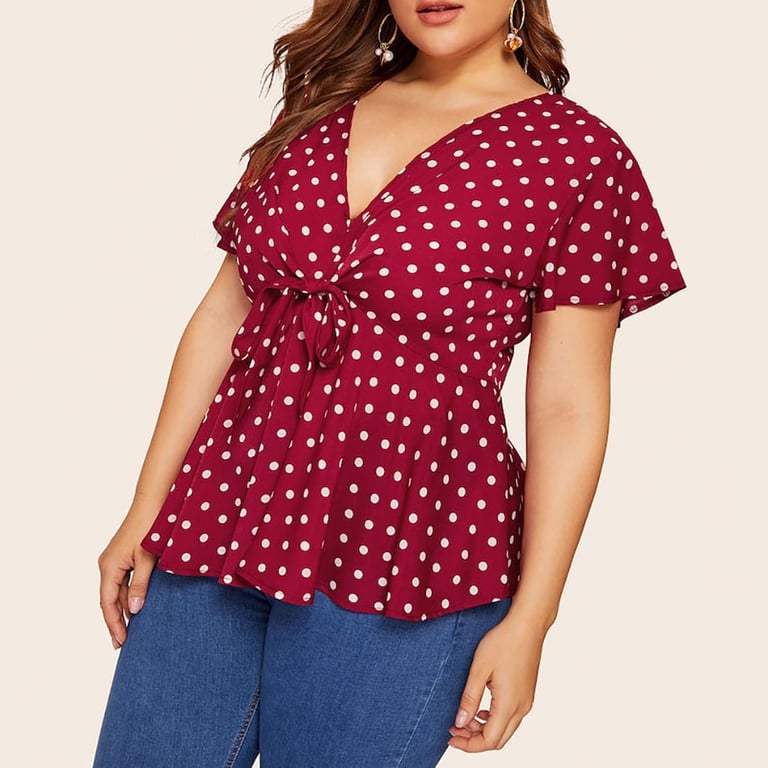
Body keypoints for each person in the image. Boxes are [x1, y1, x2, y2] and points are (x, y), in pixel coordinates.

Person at [93, 1, 688, 766]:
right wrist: (148, 506)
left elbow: (568, 407)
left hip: (408, 546)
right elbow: (224, 313)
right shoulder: (320, 102)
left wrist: (533, 620)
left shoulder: (577, 155)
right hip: (222, 515)